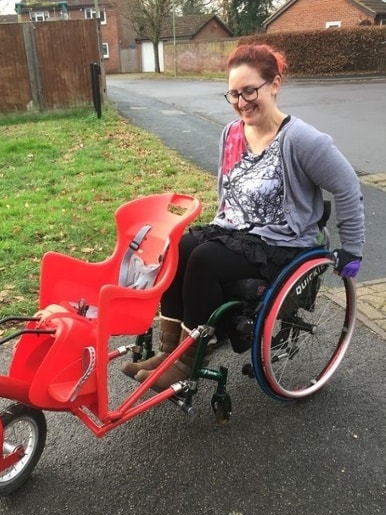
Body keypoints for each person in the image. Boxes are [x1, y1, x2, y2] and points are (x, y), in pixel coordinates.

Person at [122, 43, 365, 389]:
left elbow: (347, 186)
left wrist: (352, 249)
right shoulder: (232, 133)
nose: (241, 102)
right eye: (233, 94)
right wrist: (220, 224)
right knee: (179, 246)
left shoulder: (303, 140)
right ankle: (169, 350)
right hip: (236, 231)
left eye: (249, 91)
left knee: (205, 260)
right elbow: (227, 189)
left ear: (275, 85)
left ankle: (191, 359)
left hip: (279, 241)